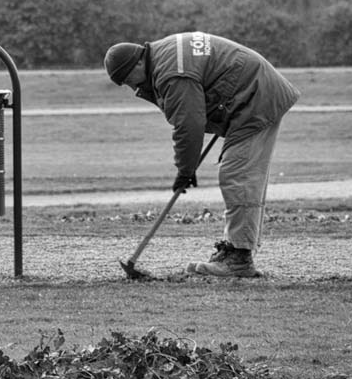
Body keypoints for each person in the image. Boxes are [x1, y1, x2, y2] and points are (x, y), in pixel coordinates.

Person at [104, 32, 300, 278]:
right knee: (237, 173)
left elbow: (188, 124)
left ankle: (239, 259)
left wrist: (185, 170)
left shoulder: (172, 74)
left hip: (255, 98)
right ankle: (234, 250)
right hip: (248, 93)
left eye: (128, 79)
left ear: (139, 63)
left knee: (238, 174)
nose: (132, 87)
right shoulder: (163, 56)